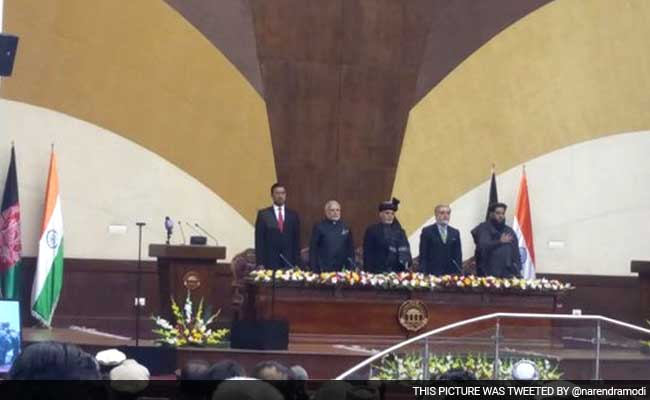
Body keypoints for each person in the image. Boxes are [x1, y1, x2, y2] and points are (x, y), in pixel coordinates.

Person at [255, 183, 301, 269]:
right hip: (269, 261)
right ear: (272, 195)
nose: (280, 196)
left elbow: (296, 240)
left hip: (288, 261)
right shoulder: (264, 214)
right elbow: (259, 240)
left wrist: (297, 262)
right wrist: (260, 263)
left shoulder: (293, 215)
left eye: (283, 193)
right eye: (277, 193)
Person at [363, 198, 412, 273]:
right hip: (377, 273)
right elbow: (367, 255)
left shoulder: (400, 232)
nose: (390, 216)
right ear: (380, 214)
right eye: (387, 213)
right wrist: (368, 273)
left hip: (396, 274)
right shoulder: (372, 230)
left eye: (392, 214)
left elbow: (406, 255)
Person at [474, 202, 522, 278]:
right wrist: (499, 242)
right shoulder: (484, 228)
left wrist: (518, 270)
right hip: (488, 275)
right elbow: (483, 246)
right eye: (498, 213)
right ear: (491, 214)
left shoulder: (509, 230)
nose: (501, 216)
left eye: (503, 213)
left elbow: (516, 253)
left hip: (507, 275)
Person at [309, 200, 355, 272]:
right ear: (326, 212)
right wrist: (315, 269)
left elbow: (350, 249)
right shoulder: (319, 227)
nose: (335, 213)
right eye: (332, 210)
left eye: (337, 210)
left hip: (342, 269)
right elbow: (313, 250)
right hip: (324, 269)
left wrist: (351, 268)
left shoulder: (346, 227)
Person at [418, 204, 462, 276]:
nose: (445, 216)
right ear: (436, 215)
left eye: (448, 213)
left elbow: (458, 256)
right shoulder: (427, 231)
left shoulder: (455, 232)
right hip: (432, 274)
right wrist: (423, 274)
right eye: (442, 213)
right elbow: (423, 255)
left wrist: (457, 274)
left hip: (450, 276)